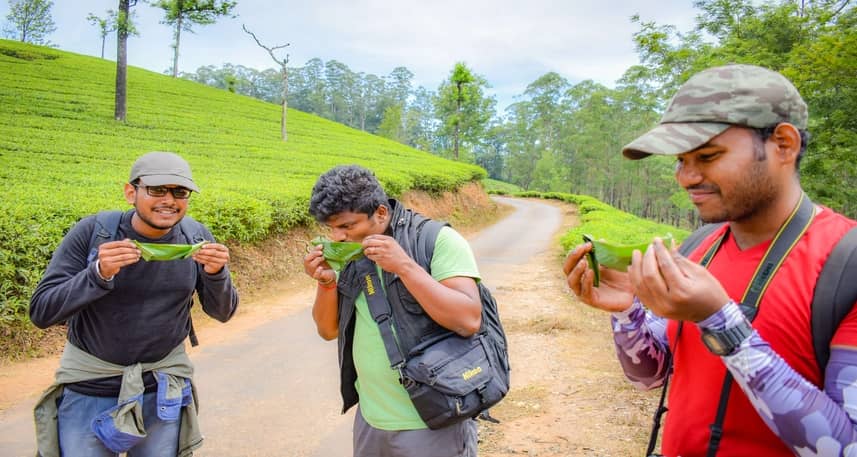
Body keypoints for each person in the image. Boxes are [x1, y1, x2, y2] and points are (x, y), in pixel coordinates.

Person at [562, 64, 857, 456]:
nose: (686, 177)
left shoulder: (845, 263)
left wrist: (722, 323)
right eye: (681, 160)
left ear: (784, 145)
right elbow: (650, 375)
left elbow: (846, 445)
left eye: (708, 156)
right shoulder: (700, 247)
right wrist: (626, 312)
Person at [30, 151, 239, 457]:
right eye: (156, 190)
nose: (169, 200)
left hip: (161, 391)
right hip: (91, 389)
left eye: (179, 192)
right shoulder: (94, 233)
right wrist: (98, 273)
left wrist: (216, 273)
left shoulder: (195, 236)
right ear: (131, 192)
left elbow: (223, 312)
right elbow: (42, 311)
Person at [303, 165, 482, 457]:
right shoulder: (349, 254)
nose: (337, 237)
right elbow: (327, 330)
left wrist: (404, 266)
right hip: (372, 420)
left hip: (433, 421)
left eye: (347, 226)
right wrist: (325, 283)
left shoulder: (437, 241)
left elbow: (469, 319)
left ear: (381, 213)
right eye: (330, 228)